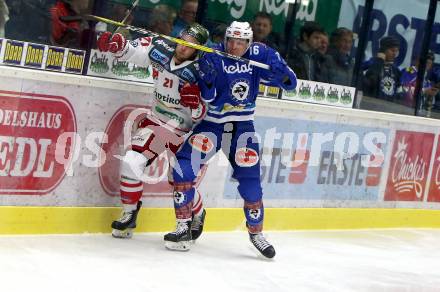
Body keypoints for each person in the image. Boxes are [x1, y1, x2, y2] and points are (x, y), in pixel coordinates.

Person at [165, 21, 297, 258]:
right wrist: (208, 78)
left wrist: (280, 72)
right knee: (183, 168)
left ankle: (256, 234)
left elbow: (291, 84)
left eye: (240, 42)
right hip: (213, 125)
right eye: (231, 41)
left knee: (250, 183)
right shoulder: (212, 55)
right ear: (225, 38)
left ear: (248, 42)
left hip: (242, 127)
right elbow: (210, 97)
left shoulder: (261, 53)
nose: (234, 46)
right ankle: (183, 225)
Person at [96, 23, 210, 240]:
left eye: (190, 45)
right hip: (158, 121)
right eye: (182, 40)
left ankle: (198, 212)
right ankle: (129, 214)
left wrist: (196, 104)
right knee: (131, 160)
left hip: (186, 132)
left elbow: (206, 111)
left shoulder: (205, 70)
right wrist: (118, 45)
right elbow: (133, 52)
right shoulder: (161, 47)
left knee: (179, 181)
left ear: (199, 49)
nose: (183, 47)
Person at [363, 36, 402, 101]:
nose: (394, 54)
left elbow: (399, 92)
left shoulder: (396, 71)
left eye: (396, 51)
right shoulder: (371, 64)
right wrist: (378, 61)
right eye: (392, 50)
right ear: (383, 50)